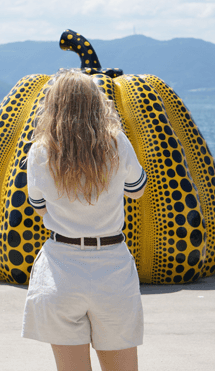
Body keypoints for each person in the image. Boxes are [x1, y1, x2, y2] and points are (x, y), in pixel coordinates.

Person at [22, 69, 147, 371]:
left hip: (61, 270)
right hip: (112, 270)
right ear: (97, 103)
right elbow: (137, 190)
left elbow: (39, 206)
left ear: (53, 106)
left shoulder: (40, 152)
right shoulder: (117, 144)